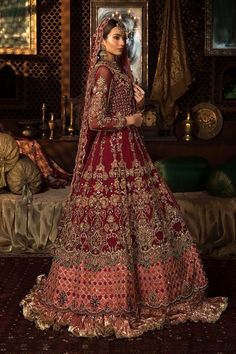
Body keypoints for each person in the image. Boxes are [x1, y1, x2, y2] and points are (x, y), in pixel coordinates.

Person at [20, 17, 227, 338]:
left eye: (124, 38)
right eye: (116, 37)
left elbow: (116, 109)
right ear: (101, 39)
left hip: (129, 152)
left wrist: (138, 102)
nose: (121, 43)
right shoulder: (103, 72)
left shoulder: (117, 72)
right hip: (108, 156)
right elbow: (94, 119)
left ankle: (149, 289)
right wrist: (130, 117)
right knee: (110, 222)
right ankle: (106, 293)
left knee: (144, 217)